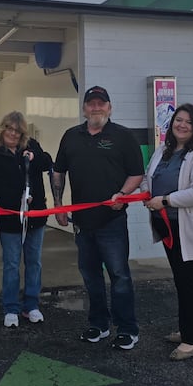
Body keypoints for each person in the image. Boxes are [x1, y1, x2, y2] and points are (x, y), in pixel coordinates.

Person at [52, 86, 145, 350]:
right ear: (84, 109)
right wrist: (58, 205)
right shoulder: (71, 136)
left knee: (119, 276)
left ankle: (127, 329)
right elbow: (58, 172)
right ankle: (99, 325)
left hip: (111, 221)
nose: (96, 108)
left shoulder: (123, 137)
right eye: (91, 104)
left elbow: (136, 174)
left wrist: (122, 194)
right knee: (90, 276)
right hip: (82, 223)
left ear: (110, 107)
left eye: (101, 104)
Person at [142, 103, 193, 361]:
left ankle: (191, 341)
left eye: (188, 121)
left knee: (188, 282)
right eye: (178, 120)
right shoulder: (163, 151)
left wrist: (165, 200)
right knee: (185, 281)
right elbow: (148, 178)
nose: (182, 125)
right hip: (169, 226)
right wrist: (140, 194)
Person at [0, 111, 53, 328]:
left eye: (17, 130)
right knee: (12, 264)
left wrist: (35, 156)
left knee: (34, 262)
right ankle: (11, 308)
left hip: (35, 218)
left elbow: (48, 162)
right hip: (10, 219)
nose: (13, 133)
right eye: (9, 128)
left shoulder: (31, 147)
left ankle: (31, 305)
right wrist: (19, 201)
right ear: (2, 130)